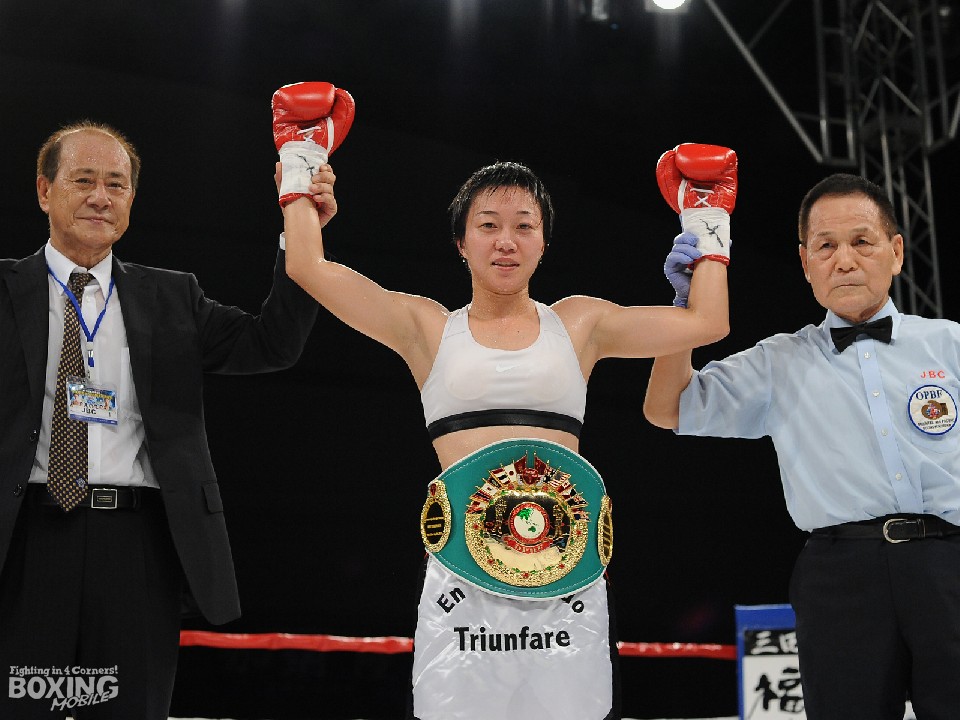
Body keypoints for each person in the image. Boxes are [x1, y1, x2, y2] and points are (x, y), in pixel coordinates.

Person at [275, 84, 734, 720]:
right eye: (488, 226)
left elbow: (708, 322)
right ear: (461, 242)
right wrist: (300, 166)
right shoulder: (426, 328)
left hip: (567, 584)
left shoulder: (580, 324)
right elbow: (307, 267)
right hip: (462, 585)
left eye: (524, 227)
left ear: (544, 242)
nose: (506, 242)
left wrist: (707, 226)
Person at [0, 119, 329, 719]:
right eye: (83, 180)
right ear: (45, 191)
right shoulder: (3, 290)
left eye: (116, 184)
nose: (101, 197)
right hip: (25, 539)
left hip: (137, 548)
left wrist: (299, 227)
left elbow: (273, 343)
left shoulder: (172, 297)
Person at [643, 172, 960, 720]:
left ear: (896, 252)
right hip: (841, 576)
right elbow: (667, 407)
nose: (845, 260)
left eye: (861, 241)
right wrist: (684, 313)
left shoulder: (950, 343)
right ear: (806, 262)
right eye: (826, 246)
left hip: (950, 562)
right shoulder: (780, 361)